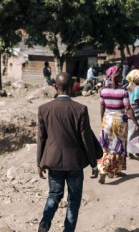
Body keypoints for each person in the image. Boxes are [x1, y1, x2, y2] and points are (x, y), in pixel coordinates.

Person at [37, 72, 100, 232]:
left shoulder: (44, 109)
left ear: (55, 87)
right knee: (74, 200)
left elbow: (41, 138)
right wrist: (94, 163)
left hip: (53, 161)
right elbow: (86, 138)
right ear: (72, 87)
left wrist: (39, 163)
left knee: (54, 195)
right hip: (75, 163)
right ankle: (68, 230)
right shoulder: (80, 109)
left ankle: (44, 224)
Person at [98, 65, 137, 184]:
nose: (122, 76)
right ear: (116, 76)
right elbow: (128, 108)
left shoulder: (103, 91)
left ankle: (115, 171)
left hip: (107, 120)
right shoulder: (122, 91)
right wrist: (136, 123)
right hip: (119, 121)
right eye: (120, 73)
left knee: (106, 147)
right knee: (117, 147)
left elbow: (102, 107)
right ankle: (105, 170)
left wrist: (102, 119)